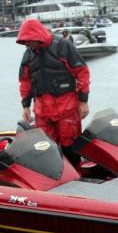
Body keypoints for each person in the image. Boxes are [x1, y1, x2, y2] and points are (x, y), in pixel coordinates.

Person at [16, 19, 90, 168]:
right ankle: (56, 179)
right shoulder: (28, 54)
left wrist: (83, 101)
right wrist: (25, 106)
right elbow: (25, 81)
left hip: (66, 107)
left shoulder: (63, 45)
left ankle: (77, 177)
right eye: (24, 41)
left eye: (28, 40)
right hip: (42, 109)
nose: (27, 44)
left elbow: (82, 72)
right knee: (46, 148)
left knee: (70, 145)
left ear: (37, 36)